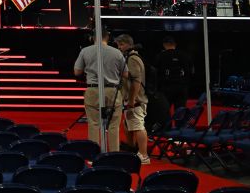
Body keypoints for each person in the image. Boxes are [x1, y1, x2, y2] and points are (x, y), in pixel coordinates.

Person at [73, 29, 126, 150]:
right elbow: (126, 73)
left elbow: (77, 71)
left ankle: (94, 154)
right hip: (113, 91)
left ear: (92, 38)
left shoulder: (85, 51)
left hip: (93, 90)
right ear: (107, 37)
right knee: (113, 125)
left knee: (93, 124)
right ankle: (113, 155)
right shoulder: (117, 53)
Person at [116, 34, 150, 164]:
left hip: (136, 100)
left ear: (129, 44)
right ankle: (134, 150)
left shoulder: (132, 58)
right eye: (118, 45)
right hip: (133, 98)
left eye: (122, 44)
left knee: (137, 125)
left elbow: (136, 81)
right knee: (129, 125)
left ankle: (144, 155)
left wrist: (132, 100)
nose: (119, 47)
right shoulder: (130, 57)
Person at [150, 36, 190, 115]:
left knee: (165, 110)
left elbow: (154, 72)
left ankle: (167, 126)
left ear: (164, 45)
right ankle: (180, 126)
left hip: (166, 88)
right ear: (175, 44)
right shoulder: (184, 55)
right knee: (180, 111)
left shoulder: (161, 56)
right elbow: (189, 71)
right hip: (181, 87)